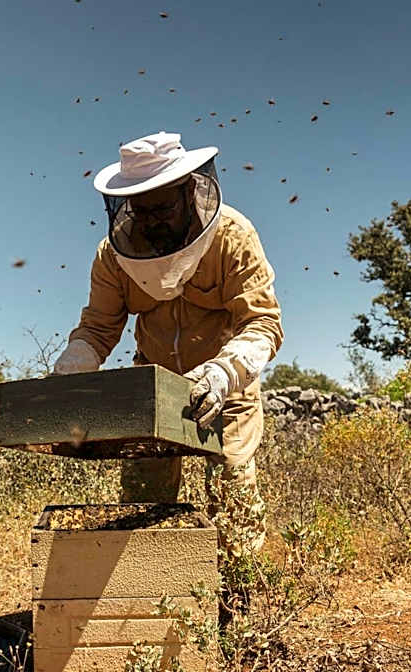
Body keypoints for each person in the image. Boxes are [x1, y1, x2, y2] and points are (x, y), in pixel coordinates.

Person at [53, 131, 283, 557]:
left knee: (233, 496)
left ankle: (241, 599)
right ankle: (148, 595)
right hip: (153, 391)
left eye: (163, 208)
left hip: (225, 387)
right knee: (145, 500)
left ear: (191, 190)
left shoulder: (232, 236)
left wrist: (223, 373)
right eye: (142, 211)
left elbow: (262, 323)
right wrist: (70, 368)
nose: (153, 221)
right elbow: (98, 328)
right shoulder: (113, 256)